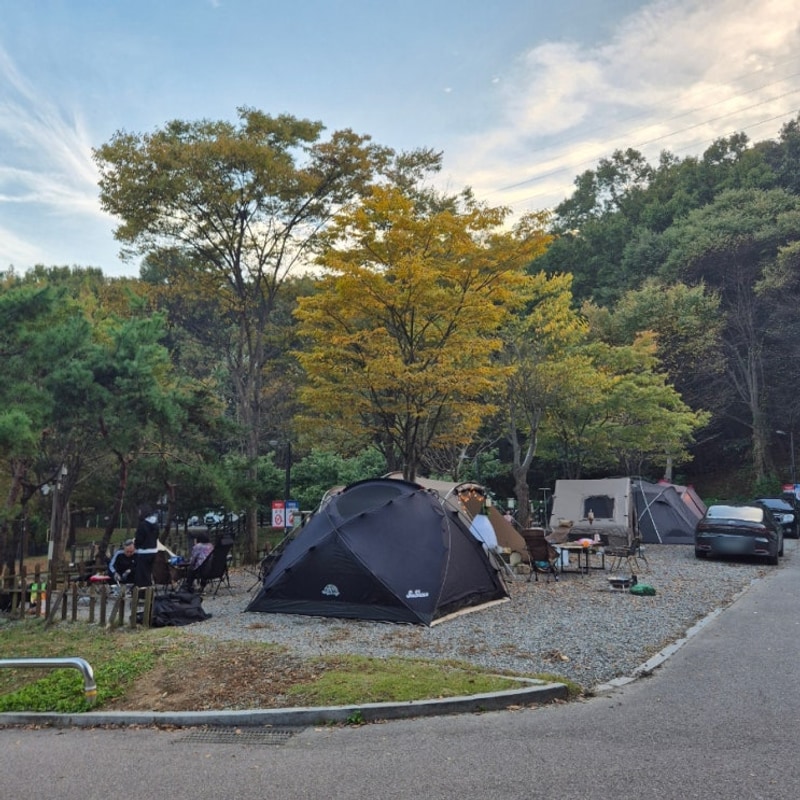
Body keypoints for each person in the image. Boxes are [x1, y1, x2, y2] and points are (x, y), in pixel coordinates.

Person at [133, 504, 160, 588]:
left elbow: (139, 539)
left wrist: (136, 545)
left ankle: (143, 593)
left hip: (143, 552)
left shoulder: (143, 525)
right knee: (148, 572)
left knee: (142, 575)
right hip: (153, 551)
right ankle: (149, 591)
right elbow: (156, 536)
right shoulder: (155, 524)